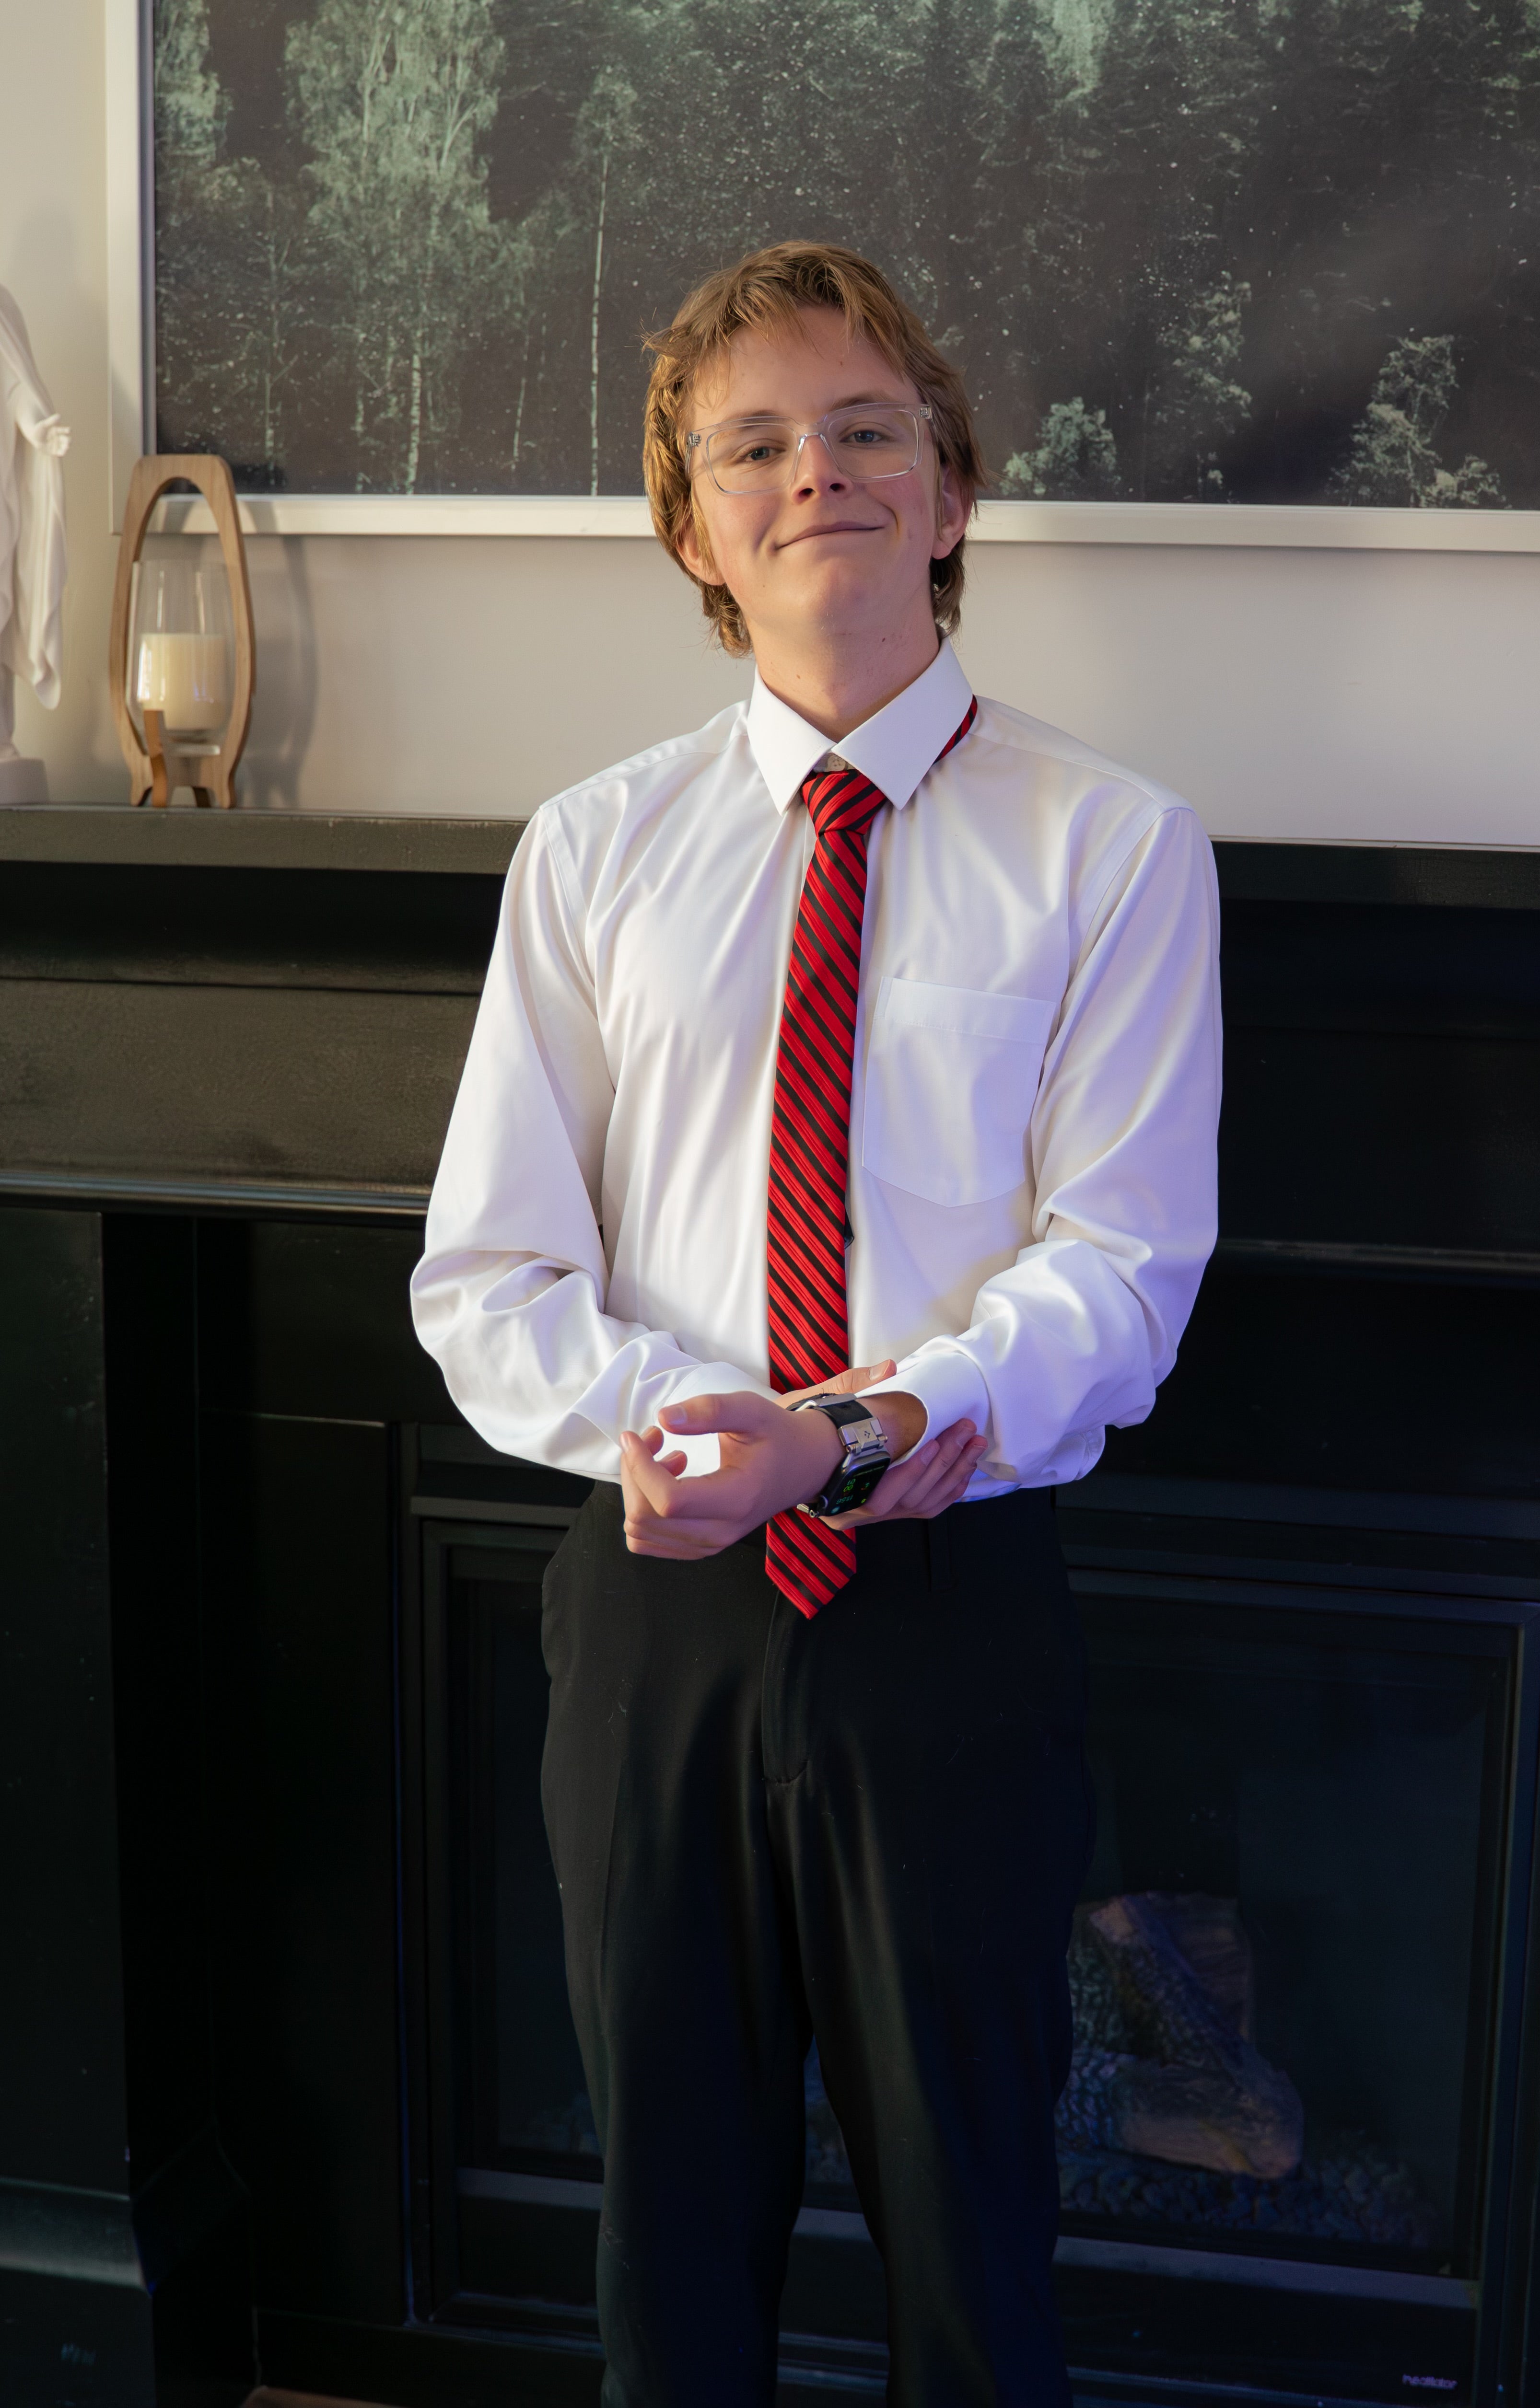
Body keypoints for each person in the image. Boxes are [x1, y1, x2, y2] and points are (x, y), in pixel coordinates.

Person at [411, 241, 1221, 2407]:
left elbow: (1124, 1267)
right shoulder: (593, 852)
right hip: (659, 1598)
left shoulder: (1116, 848)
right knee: (668, 2241)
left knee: (974, 2235)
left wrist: (852, 1433)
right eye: (752, 442)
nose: (816, 472)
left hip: (951, 1606)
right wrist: (711, 1425)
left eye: (869, 427)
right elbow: (487, 1270)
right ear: (693, 526)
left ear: (949, 488)